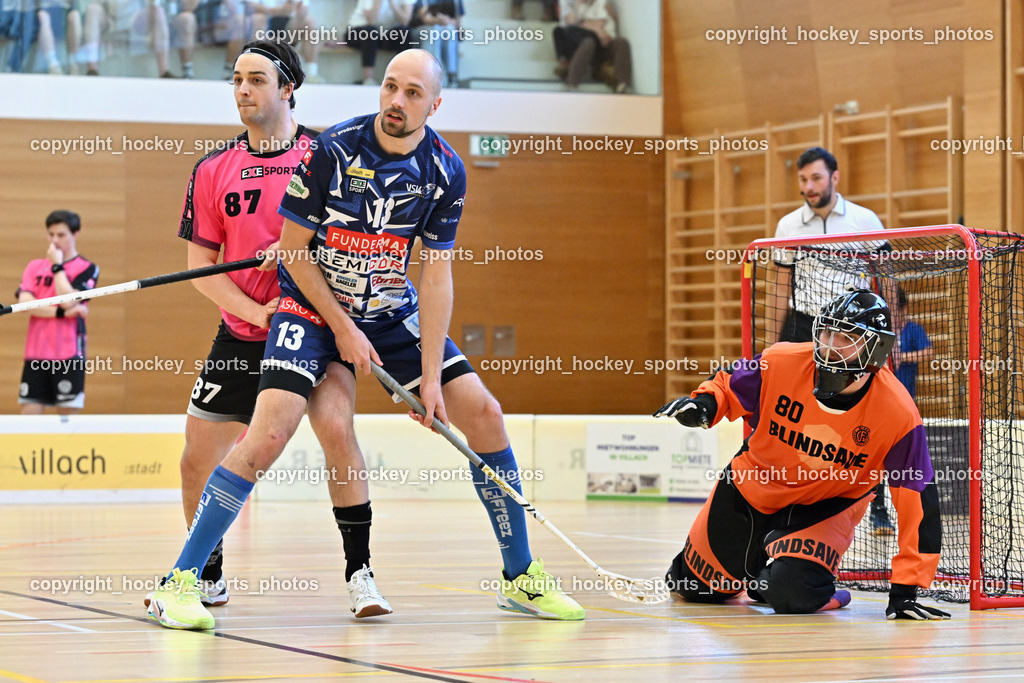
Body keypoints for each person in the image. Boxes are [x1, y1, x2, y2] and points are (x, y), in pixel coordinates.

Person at [146, 48, 584, 630]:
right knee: (270, 431)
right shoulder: (332, 150)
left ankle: (521, 575)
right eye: (389, 87)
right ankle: (180, 583)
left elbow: (434, 275)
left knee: (485, 413)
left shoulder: (446, 170)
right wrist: (344, 330)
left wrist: (429, 376)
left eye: (411, 94)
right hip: (309, 308)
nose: (396, 102)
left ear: (435, 104)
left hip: (389, 309)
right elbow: (295, 257)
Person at [147, 39, 392, 629]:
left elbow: (362, 239)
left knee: (336, 429)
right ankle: (206, 576)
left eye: (256, 80)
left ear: (288, 89)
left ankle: (360, 573)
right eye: (236, 80)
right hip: (245, 329)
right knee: (197, 458)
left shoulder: (329, 155)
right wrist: (255, 314)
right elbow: (202, 266)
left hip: (315, 324)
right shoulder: (212, 170)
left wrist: (292, 256)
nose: (243, 90)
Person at [654, 290, 950, 620]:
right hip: (753, 485)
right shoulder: (782, 361)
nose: (830, 344)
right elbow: (729, 383)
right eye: (827, 332)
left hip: (826, 508)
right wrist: (705, 405)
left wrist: (906, 588)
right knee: (694, 590)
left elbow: (918, 498)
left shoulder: (899, 414)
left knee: (792, 593)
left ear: (876, 348)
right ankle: (751, 576)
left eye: (846, 337)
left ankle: (810, 589)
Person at [766, 147, 888, 345]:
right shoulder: (787, 226)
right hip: (802, 326)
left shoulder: (865, 220)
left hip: (853, 326)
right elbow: (780, 288)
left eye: (816, 178)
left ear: (835, 177)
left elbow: (887, 281)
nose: (809, 187)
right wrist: (771, 345)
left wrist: (892, 335)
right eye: (803, 179)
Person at [17, 210, 99, 415]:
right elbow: (24, 303)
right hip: (36, 352)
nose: (55, 240)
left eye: (61, 235)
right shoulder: (34, 267)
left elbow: (67, 300)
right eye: (51, 234)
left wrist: (57, 267)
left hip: (68, 353)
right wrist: (63, 314)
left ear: (75, 234)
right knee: (28, 417)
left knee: (67, 422)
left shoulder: (87, 268)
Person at [870, 287, 934, 536]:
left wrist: (903, 355)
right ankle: (879, 514)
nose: (890, 313)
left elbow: (929, 352)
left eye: (894, 308)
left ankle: (913, 518)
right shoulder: (877, 334)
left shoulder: (913, 330)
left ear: (904, 309)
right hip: (878, 409)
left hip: (906, 411)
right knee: (875, 464)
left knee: (907, 464)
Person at [553, 0, 630, 93]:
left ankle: (622, 85)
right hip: (584, 46)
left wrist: (598, 29)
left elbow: (603, 23)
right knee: (588, 42)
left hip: (602, 46)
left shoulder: (602, 4)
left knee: (621, 42)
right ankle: (571, 84)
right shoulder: (579, 6)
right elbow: (573, 24)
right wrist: (596, 29)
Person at [345, 0, 413, 85]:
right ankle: (368, 80)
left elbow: (405, 21)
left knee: (405, 32)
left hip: (382, 34)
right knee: (370, 31)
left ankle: (403, 79)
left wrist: (391, 2)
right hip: (357, 32)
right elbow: (371, 21)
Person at [410, 0, 463, 87]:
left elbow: (457, 23)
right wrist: (440, 20)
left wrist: (446, 21)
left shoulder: (456, 1)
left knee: (450, 30)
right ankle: (433, 73)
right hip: (422, 31)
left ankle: (452, 76)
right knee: (435, 30)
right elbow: (426, 18)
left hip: (444, 29)